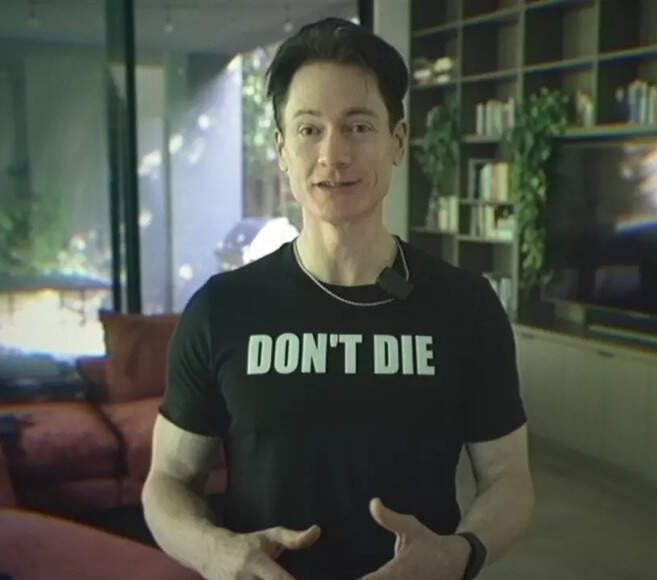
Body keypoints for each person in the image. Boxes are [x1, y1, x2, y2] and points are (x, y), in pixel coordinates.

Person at [142, 17, 533, 580]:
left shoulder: (466, 306)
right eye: (309, 129)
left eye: (359, 126)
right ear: (282, 149)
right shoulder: (221, 309)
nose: (333, 154)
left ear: (398, 141)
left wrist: (459, 553)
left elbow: (509, 480)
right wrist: (214, 552)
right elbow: (168, 481)